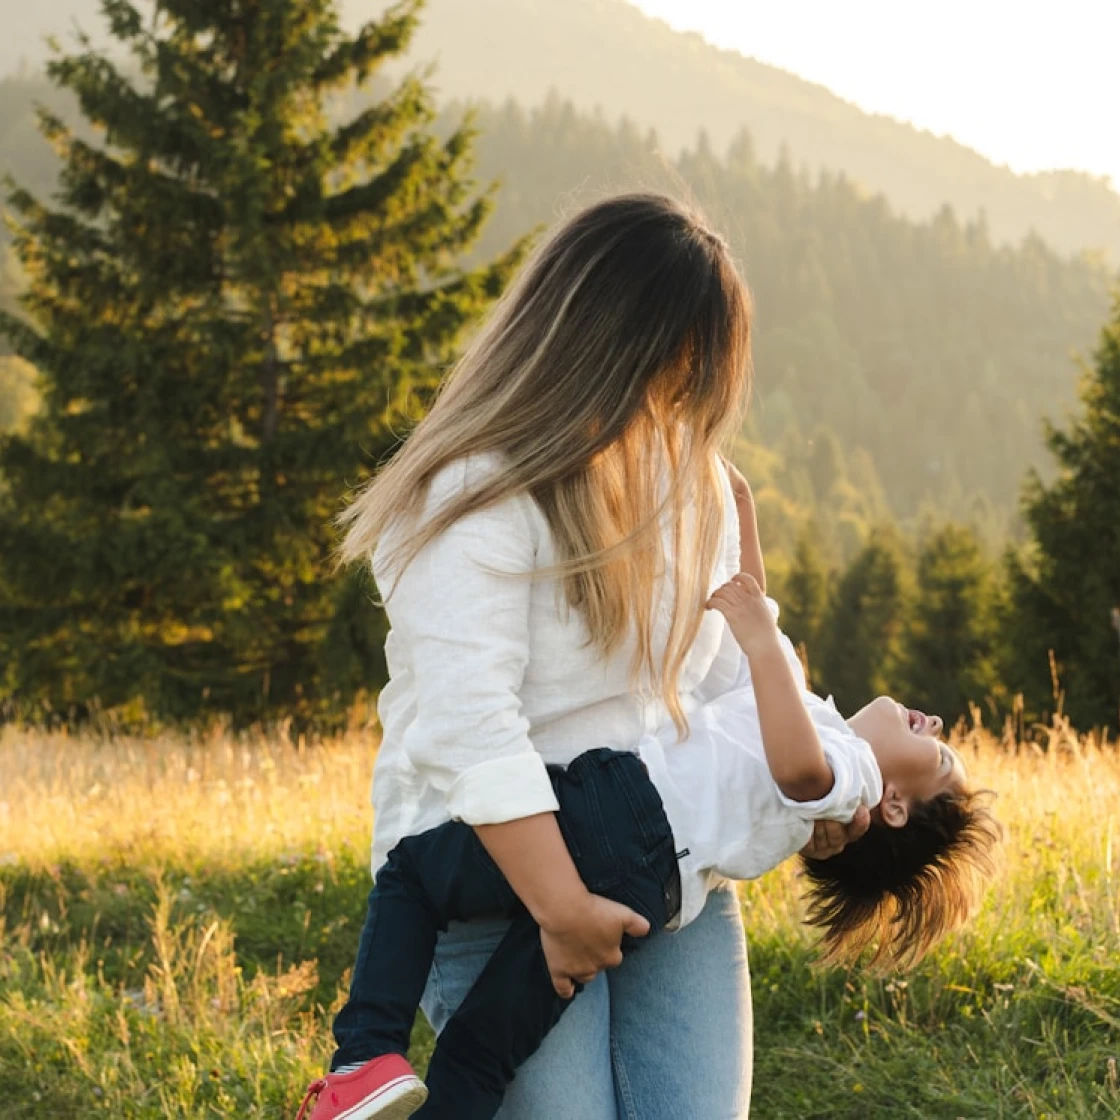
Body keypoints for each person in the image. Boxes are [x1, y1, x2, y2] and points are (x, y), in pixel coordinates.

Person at [304, 192, 821, 1120]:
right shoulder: (469, 491)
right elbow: (470, 727)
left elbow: (723, 682)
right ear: (601, 349)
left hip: (657, 853)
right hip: (498, 872)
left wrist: (826, 777)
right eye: (671, 373)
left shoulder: (694, 480)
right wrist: (564, 909)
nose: (678, 408)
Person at [296, 572, 1000, 1120]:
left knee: (413, 875)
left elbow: (798, 769)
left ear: (894, 806)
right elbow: (754, 611)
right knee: (485, 1052)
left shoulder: (852, 772)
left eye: (940, 757)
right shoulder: (810, 712)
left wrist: (759, 638)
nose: (935, 723)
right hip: (642, 892)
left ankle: (363, 1057)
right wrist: (741, 514)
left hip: (618, 821)